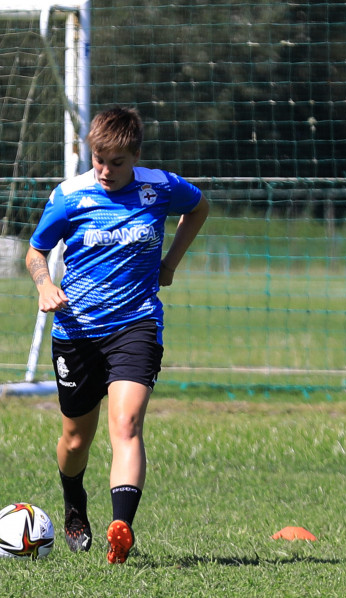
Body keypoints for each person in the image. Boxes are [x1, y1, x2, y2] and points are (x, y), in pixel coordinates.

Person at [26, 106, 209, 564]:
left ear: (136, 155)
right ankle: (74, 502)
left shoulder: (160, 187)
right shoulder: (70, 196)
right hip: (78, 331)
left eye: (117, 161)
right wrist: (45, 285)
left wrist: (170, 263)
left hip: (136, 324)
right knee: (75, 440)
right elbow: (36, 250)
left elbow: (200, 206)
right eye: (98, 159)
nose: (105, 170)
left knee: (126, 425)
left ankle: (121, 528)